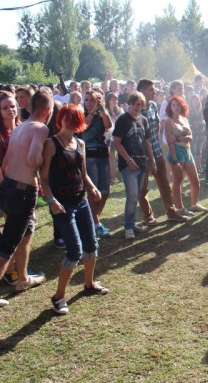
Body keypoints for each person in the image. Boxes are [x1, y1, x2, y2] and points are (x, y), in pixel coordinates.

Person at [41, 105, 109, 315]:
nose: (70, 123)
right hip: (62, 206)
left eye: (75, 120)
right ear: (60, 120)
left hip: (81, 201)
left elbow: (83, 173)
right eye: (67, 119)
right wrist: (51, 200)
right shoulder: (51, 144)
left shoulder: (80, 143)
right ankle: (58, 297)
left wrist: (93, 188)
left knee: (92, 245)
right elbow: (44, 178)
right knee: (75, 251)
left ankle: (89, 284)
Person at [0, 89, 53, 307]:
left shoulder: (19, 128)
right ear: (48, 110)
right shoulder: (41, 128)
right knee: (7, 246)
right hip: (23, 192)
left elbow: (5, 163)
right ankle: (18, 278)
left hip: (9, 186)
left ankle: (23, 278)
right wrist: (45, 156)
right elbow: (33, 159)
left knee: (26, 231)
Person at [137, 79, 188, 225]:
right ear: (142, 91)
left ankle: (171, 212)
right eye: (151, 90)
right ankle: (148, 216)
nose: (155, 92)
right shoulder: (136, 108)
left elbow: (158, 124)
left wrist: (157, 141)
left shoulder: (153, 105)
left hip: (157, 150)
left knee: (164, 183)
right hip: (142, 154)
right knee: (143, 187)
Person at [112, 92, 157, 240]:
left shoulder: (144, 120)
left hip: (142, 163)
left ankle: (132, 223)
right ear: (130, 103)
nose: (137, 107)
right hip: (128, 165)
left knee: (137, 195)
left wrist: (152, 160)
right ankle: (128, 227)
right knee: (132, 196)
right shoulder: (123, 119)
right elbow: (117, 142)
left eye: (140, 104)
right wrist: (129, 160)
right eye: (135, 104)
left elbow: (147, 142)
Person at [164, 96, 207, 216]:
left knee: (195, 181)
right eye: (173, 105)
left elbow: (191, 137)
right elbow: (170, 142)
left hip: (187, 150)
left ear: (182, 106)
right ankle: (180, 208)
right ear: (170, 107)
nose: (176, 107)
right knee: (178, 181)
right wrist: (174, 160)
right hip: (176, 152)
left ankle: (194, 205)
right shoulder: (168, 121)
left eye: (178, 105)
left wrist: (179, 138)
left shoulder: (184, 119)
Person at [80, 90, 112, 238]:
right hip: (89, 155)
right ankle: (96, 224)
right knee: (93, 192)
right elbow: (83, 127)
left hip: (102, 154)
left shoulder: (101, 114)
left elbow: (108, 125)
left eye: (92, 100)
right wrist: (92, 112)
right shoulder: (82, 114)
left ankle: (92, 221)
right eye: (86, 100)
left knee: (105, 191)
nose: (88, 103)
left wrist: (102, 110)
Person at [188, 92, 206, 173]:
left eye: (197, 99)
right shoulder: (189, 110)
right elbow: (187, 121)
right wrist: (194, 124)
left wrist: (202, 122)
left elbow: (203, 119)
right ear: (191, 101)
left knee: (199, 150)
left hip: (201, 132)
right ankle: (193, 168)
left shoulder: (201, 110)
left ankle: (199, 167)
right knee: (193, 150)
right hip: (193, 133)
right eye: (194, 99)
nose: (196, 101)